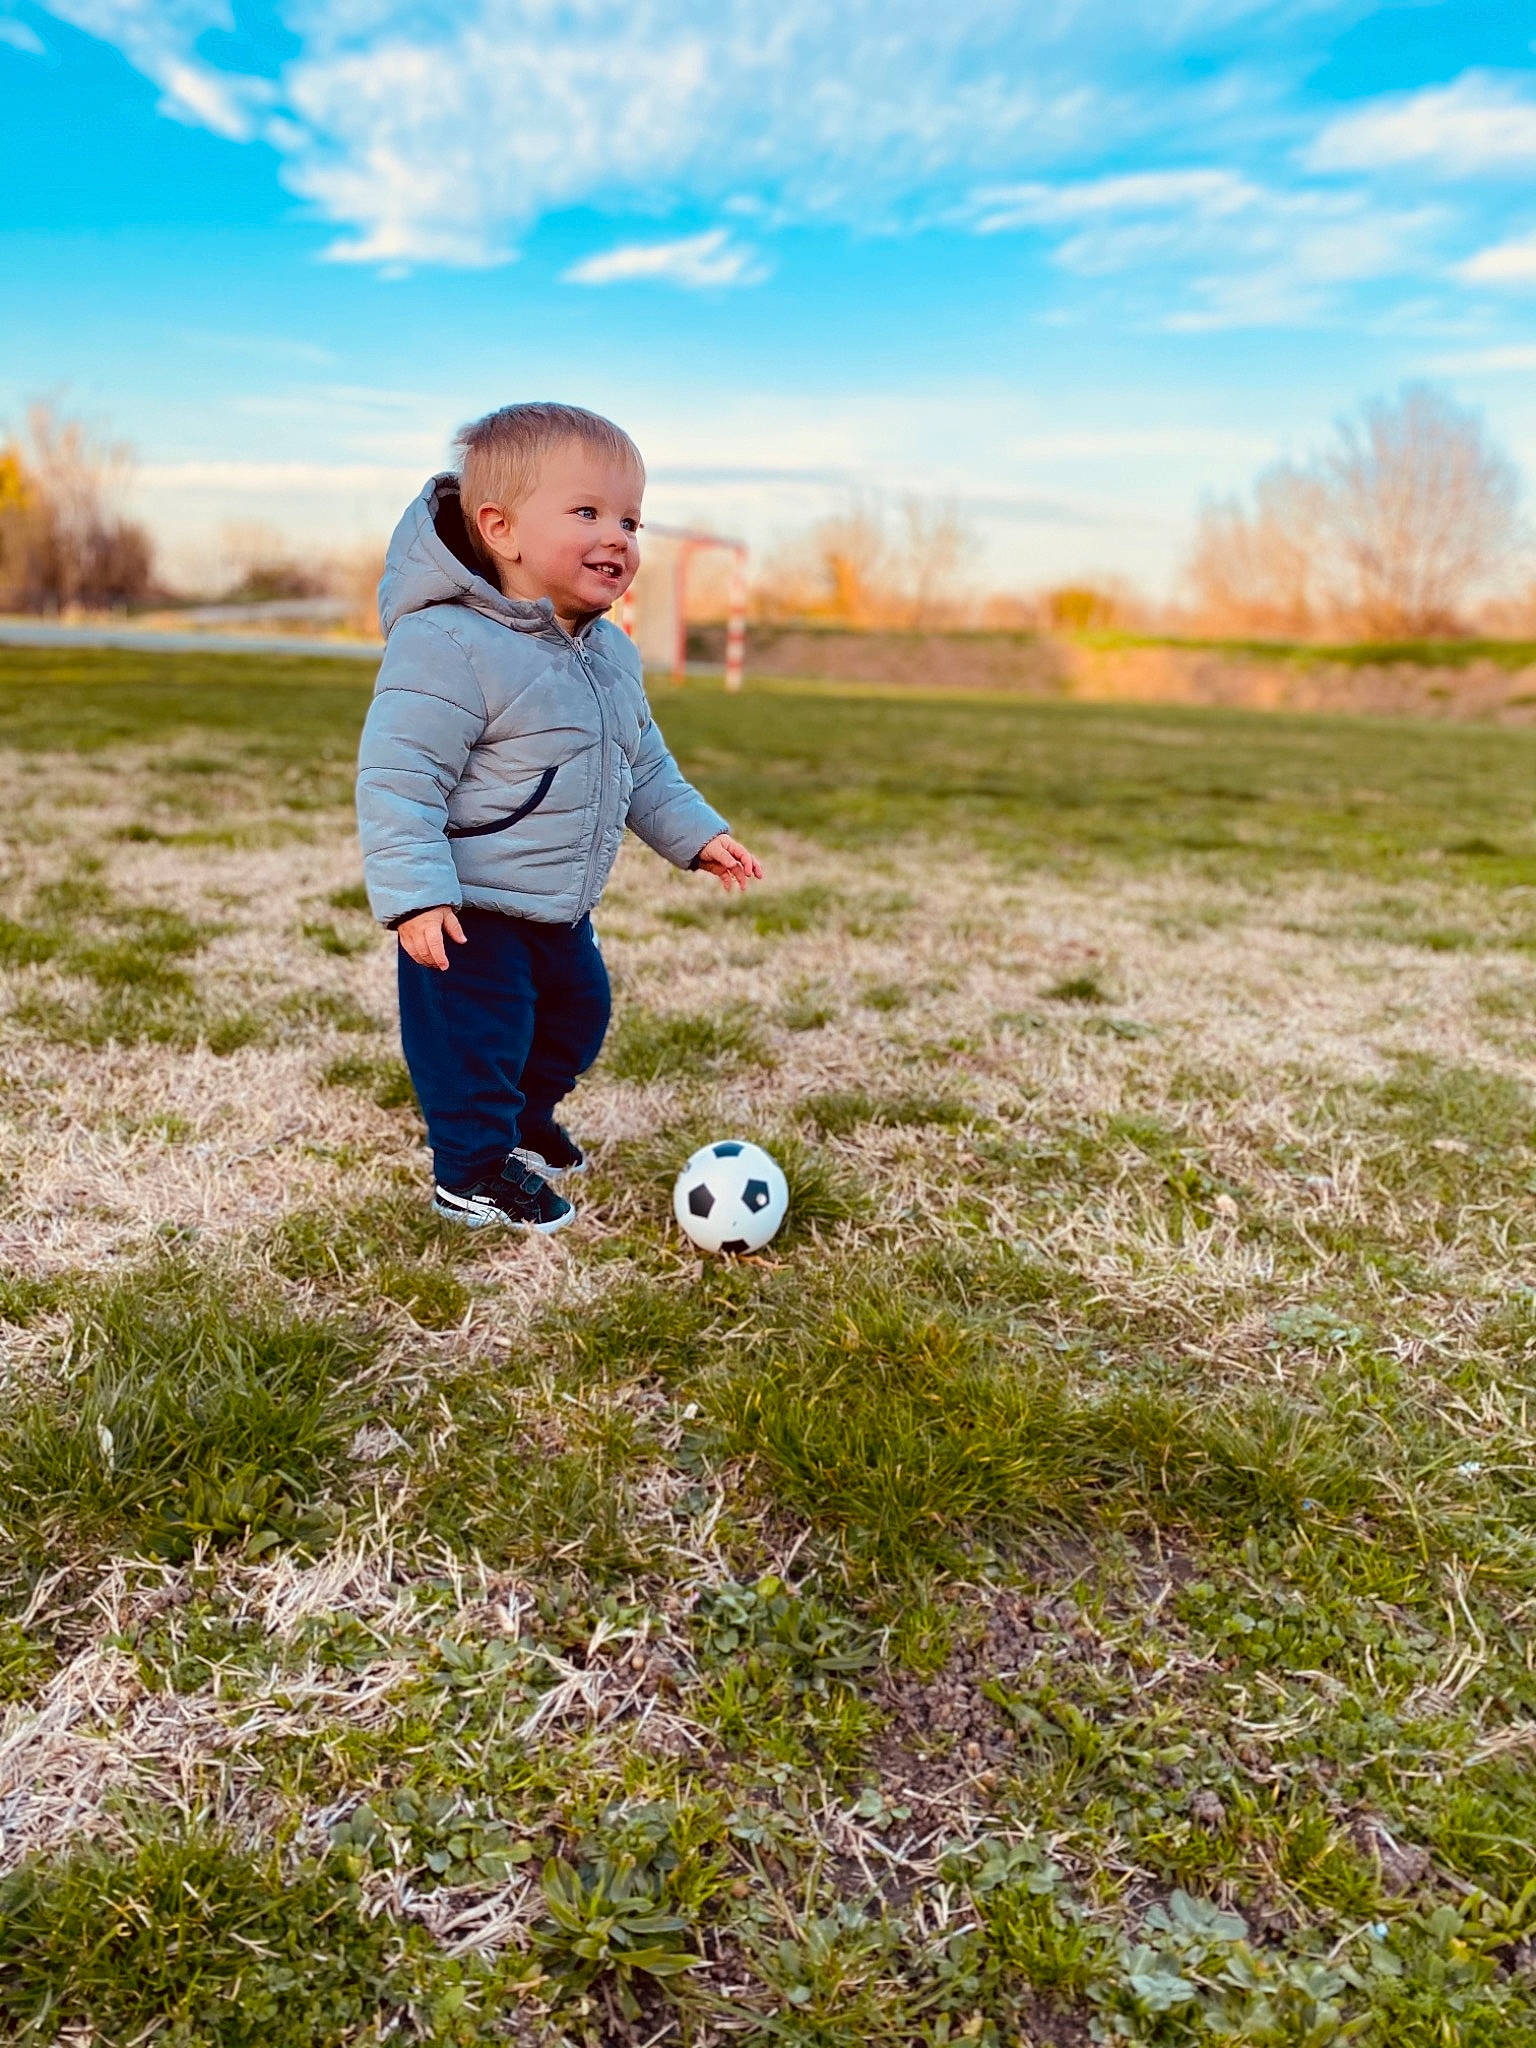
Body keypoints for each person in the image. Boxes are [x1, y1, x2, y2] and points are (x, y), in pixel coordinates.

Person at [356, 402, 762, 1233]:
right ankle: (471, 1172)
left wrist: (698, 837)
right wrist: (416, 896)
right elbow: (399, 778)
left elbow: (643, 764)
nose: (618, 537)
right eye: (587, 512)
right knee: (477, 1040)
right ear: (501, 529)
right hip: (468, 907)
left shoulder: (610, 654)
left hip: (559, 905)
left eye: (630, 520)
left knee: (576, 1017)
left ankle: (520, 1122)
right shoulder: (448, 644)